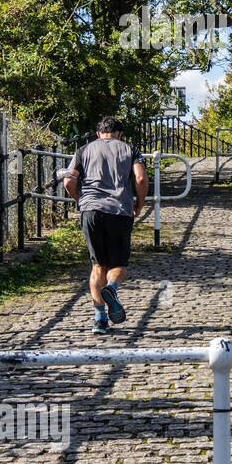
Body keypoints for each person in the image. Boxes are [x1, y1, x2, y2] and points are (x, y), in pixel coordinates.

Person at [64, 116, 148, 333]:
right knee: (118, 264)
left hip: (91, 211)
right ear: (120, 134)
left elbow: (68, 180)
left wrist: (81, 201)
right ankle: (111, 288)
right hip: (119, 211)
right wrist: (139, 204)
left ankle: (100, 320)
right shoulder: (131, 150)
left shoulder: (83, 150)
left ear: (98, 133)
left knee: (97, 266)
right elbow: (140, 179)